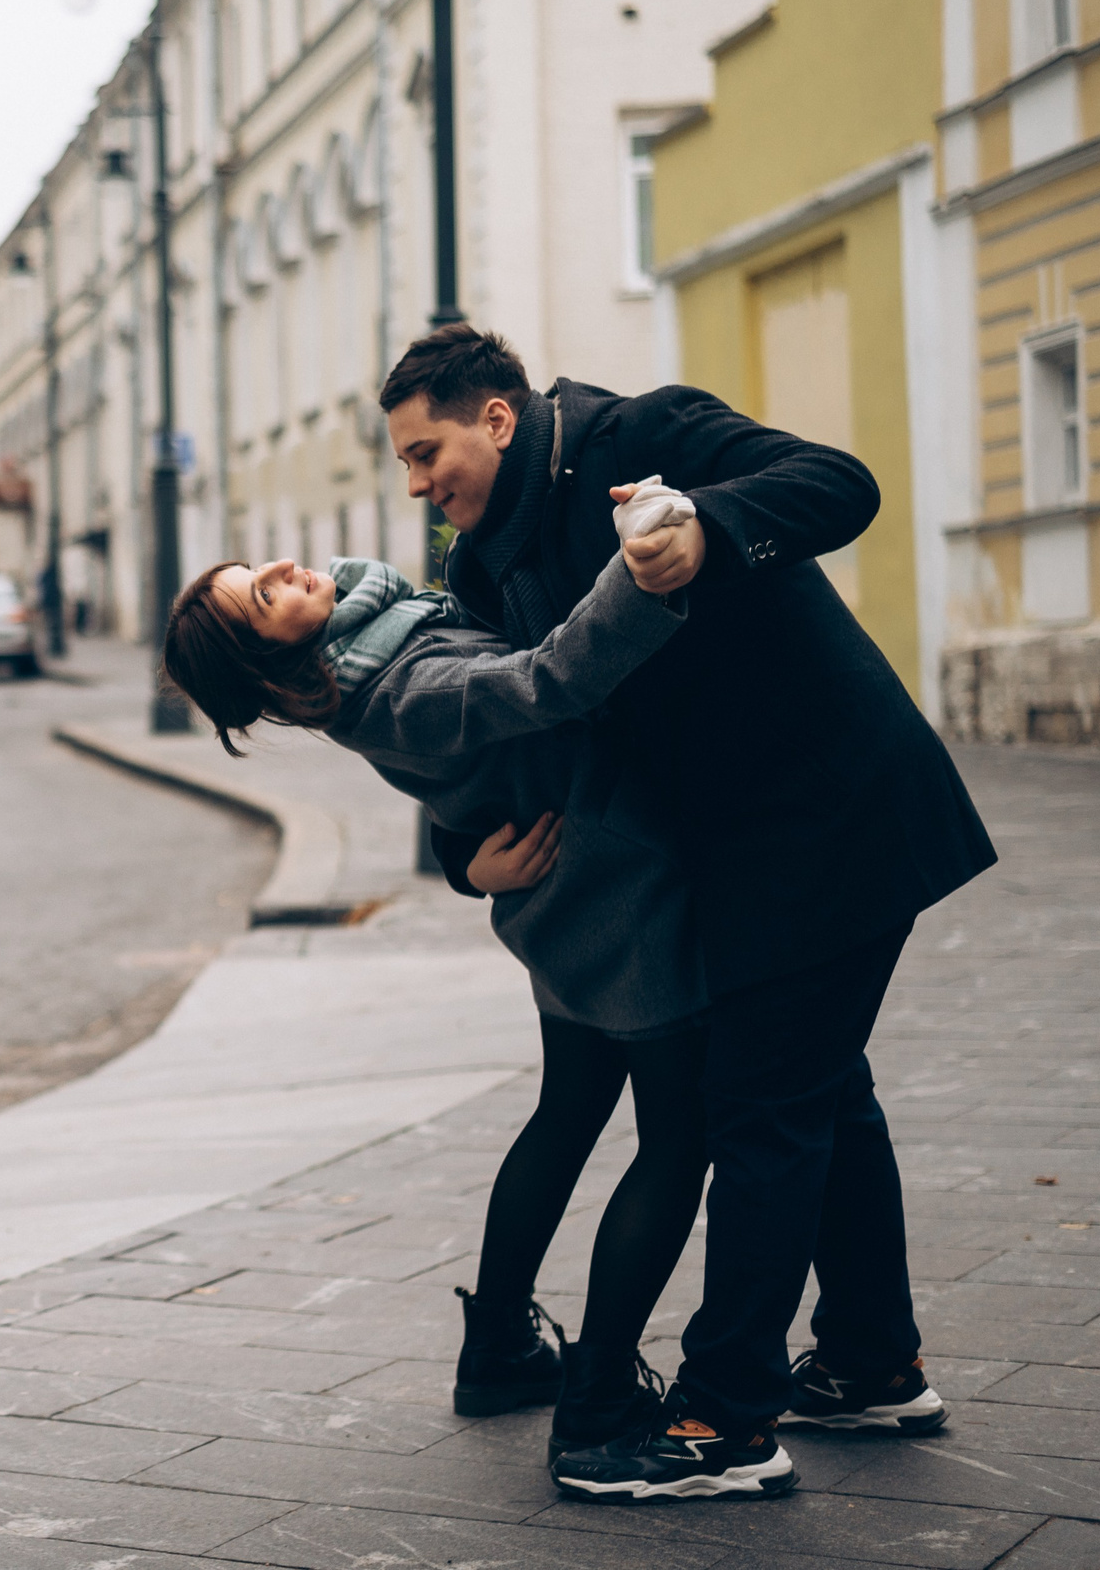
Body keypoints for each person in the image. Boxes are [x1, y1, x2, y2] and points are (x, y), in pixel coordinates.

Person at [381, 324, 995, 1504]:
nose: (418, 484)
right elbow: (493, 723)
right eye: (405, 465)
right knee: (821, 1091)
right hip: (727, 849)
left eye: (427, 451)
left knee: (759, 1107)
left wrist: (705, 526)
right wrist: (466, 861)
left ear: (496, 417)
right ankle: (873, 1361)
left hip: (833, 811)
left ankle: (723, 1413)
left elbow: (838, 482)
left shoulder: (638, 432)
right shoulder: (479, 567)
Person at [164, 526, 710, 1463]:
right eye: (262, 597)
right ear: (271, 659)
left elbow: (462, 763)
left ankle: (499, 1344)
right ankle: (598, 1404)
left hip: (568, 888)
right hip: (614, 895)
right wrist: (643, 568)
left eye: (254, 568)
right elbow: (544, 682)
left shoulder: (372, 634)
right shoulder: (393, 683)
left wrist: (463, 857)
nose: (283, 571)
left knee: (571, 1110)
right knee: (678, 1135)